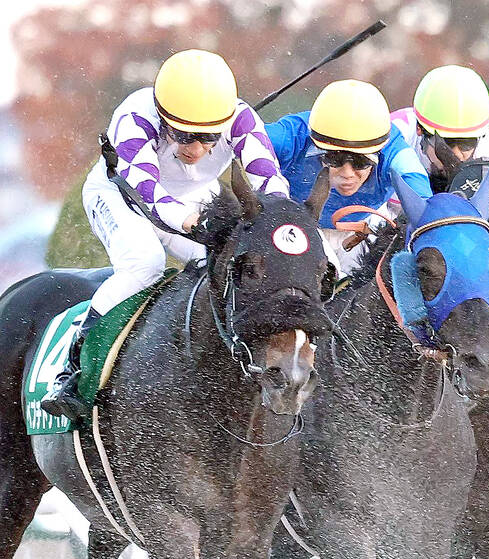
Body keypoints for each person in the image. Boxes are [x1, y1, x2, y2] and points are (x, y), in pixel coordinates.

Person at [41, 49, 289, 421]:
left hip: (191, 200)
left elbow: (269, 182)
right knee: (145, 263)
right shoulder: (134, 115)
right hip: (121, 195)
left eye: (209, 138)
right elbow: (149, 194)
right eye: (184, 135)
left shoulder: (242, 120)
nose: (196, 149)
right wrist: (193, 223)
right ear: (164, 117)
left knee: (227, 267)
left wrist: (278, 223)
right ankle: (71, 368)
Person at [265, 79, 431, 274]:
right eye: (334, 159)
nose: (347, 174)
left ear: (379, 152)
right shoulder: (292, 137)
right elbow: (237, 131)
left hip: (366, 229)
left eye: (361, 162)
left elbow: (425, 201)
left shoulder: (395, 150)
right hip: (299, 227)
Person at [389, 64, 489, 193]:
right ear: (419, 128)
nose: (456, 155)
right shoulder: (394, 136)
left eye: (467, 143)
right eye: (447, 142)